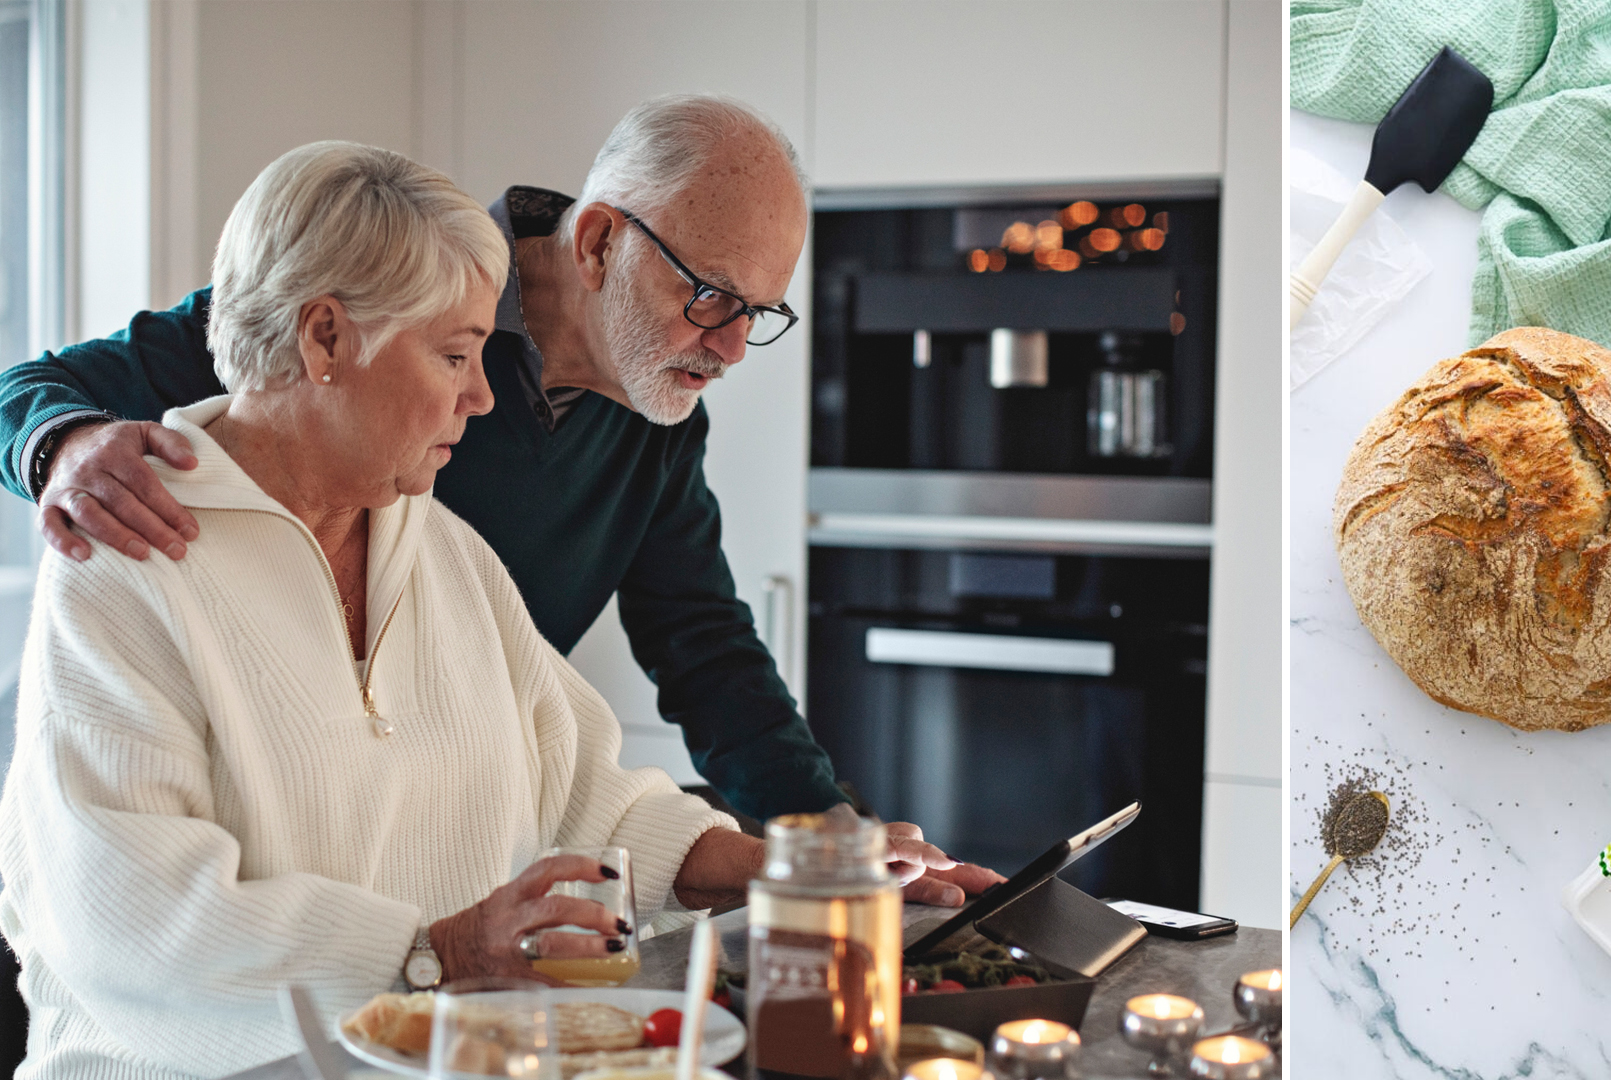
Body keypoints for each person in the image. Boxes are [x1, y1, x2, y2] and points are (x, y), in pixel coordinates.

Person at [0, 142, 964, 1080]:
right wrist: (439, 952)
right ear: (326, 338)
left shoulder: (441, 544)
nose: (480, 394)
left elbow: (587, 788)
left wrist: (800, 865)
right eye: (457, 354)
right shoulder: (125, 554)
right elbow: (128, 914)